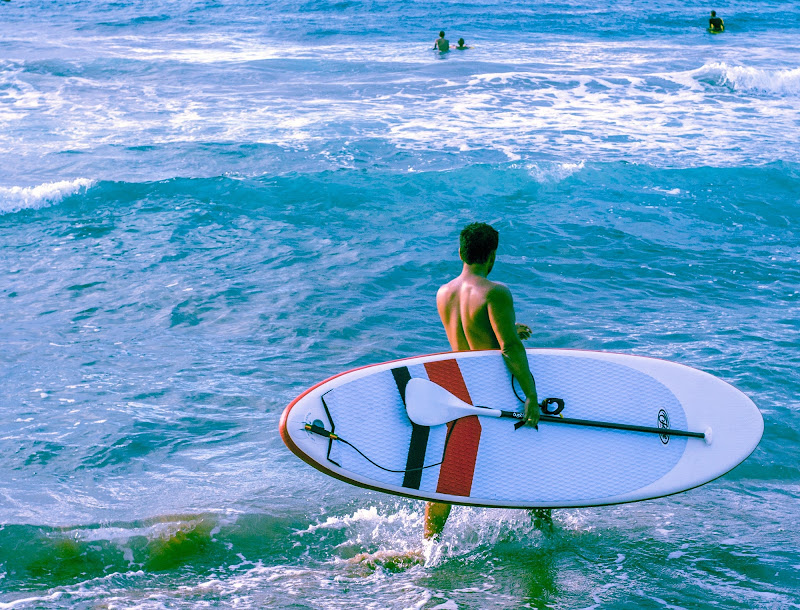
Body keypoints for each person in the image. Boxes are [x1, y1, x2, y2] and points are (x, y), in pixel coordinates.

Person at [426, 222, 541, 539]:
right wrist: (531, 395)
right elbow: (508, 348)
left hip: (462, 387)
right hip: (495, 390)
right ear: (492, 256)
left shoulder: (443, 293)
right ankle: (545, 532)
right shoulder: (496, 292)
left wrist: (507, 328)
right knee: (529, 455)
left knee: (452, 467)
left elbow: (468, 338)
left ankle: (429, 543)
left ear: (460, 251)